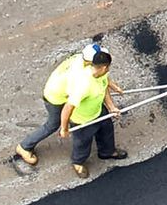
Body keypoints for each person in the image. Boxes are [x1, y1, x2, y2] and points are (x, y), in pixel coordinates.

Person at [14, 47, 128, 178]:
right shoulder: (81, 80)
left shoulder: (91, 65)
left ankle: (107, 151)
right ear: (95, 64)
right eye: (106, 67)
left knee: (105, 126)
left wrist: (112, 99)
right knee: (57, 126)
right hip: (56, 97)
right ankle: (25, 147)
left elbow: (103, 84)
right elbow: (69, 107)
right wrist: (64, 128)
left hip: (88, 104)